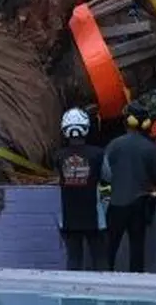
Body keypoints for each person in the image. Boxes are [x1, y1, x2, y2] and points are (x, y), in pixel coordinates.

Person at [102, 101, 156, 272]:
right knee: (137, 249)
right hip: (139, 205)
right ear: (146, 123)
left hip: (116, 203)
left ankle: (103, 278)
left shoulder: (114, 145)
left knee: (110, 248)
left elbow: (105, 175)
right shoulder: (150, 148)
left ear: (127, 120)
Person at [54, 107, 107, 271]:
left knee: (73, 259)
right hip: (94, 217)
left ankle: (72, 287)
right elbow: (108, 176)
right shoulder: (98, 154)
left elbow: (57, 178)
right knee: (99, 258)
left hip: (68, 216)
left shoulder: (58, 156)